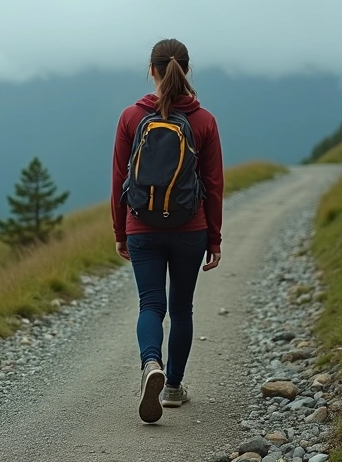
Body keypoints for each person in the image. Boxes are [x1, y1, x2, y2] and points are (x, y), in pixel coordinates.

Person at [111, 38, 224, 424]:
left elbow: (118, 181)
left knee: (151, 305)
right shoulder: (204, 121)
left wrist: (120, 232)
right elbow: (214, 184)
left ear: (152, 69)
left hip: (142, 225)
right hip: (189, 227)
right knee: (181, 308)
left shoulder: (131, 117)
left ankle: (151, 365)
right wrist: (214, 237)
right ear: (186, 70)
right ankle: (173, 387)